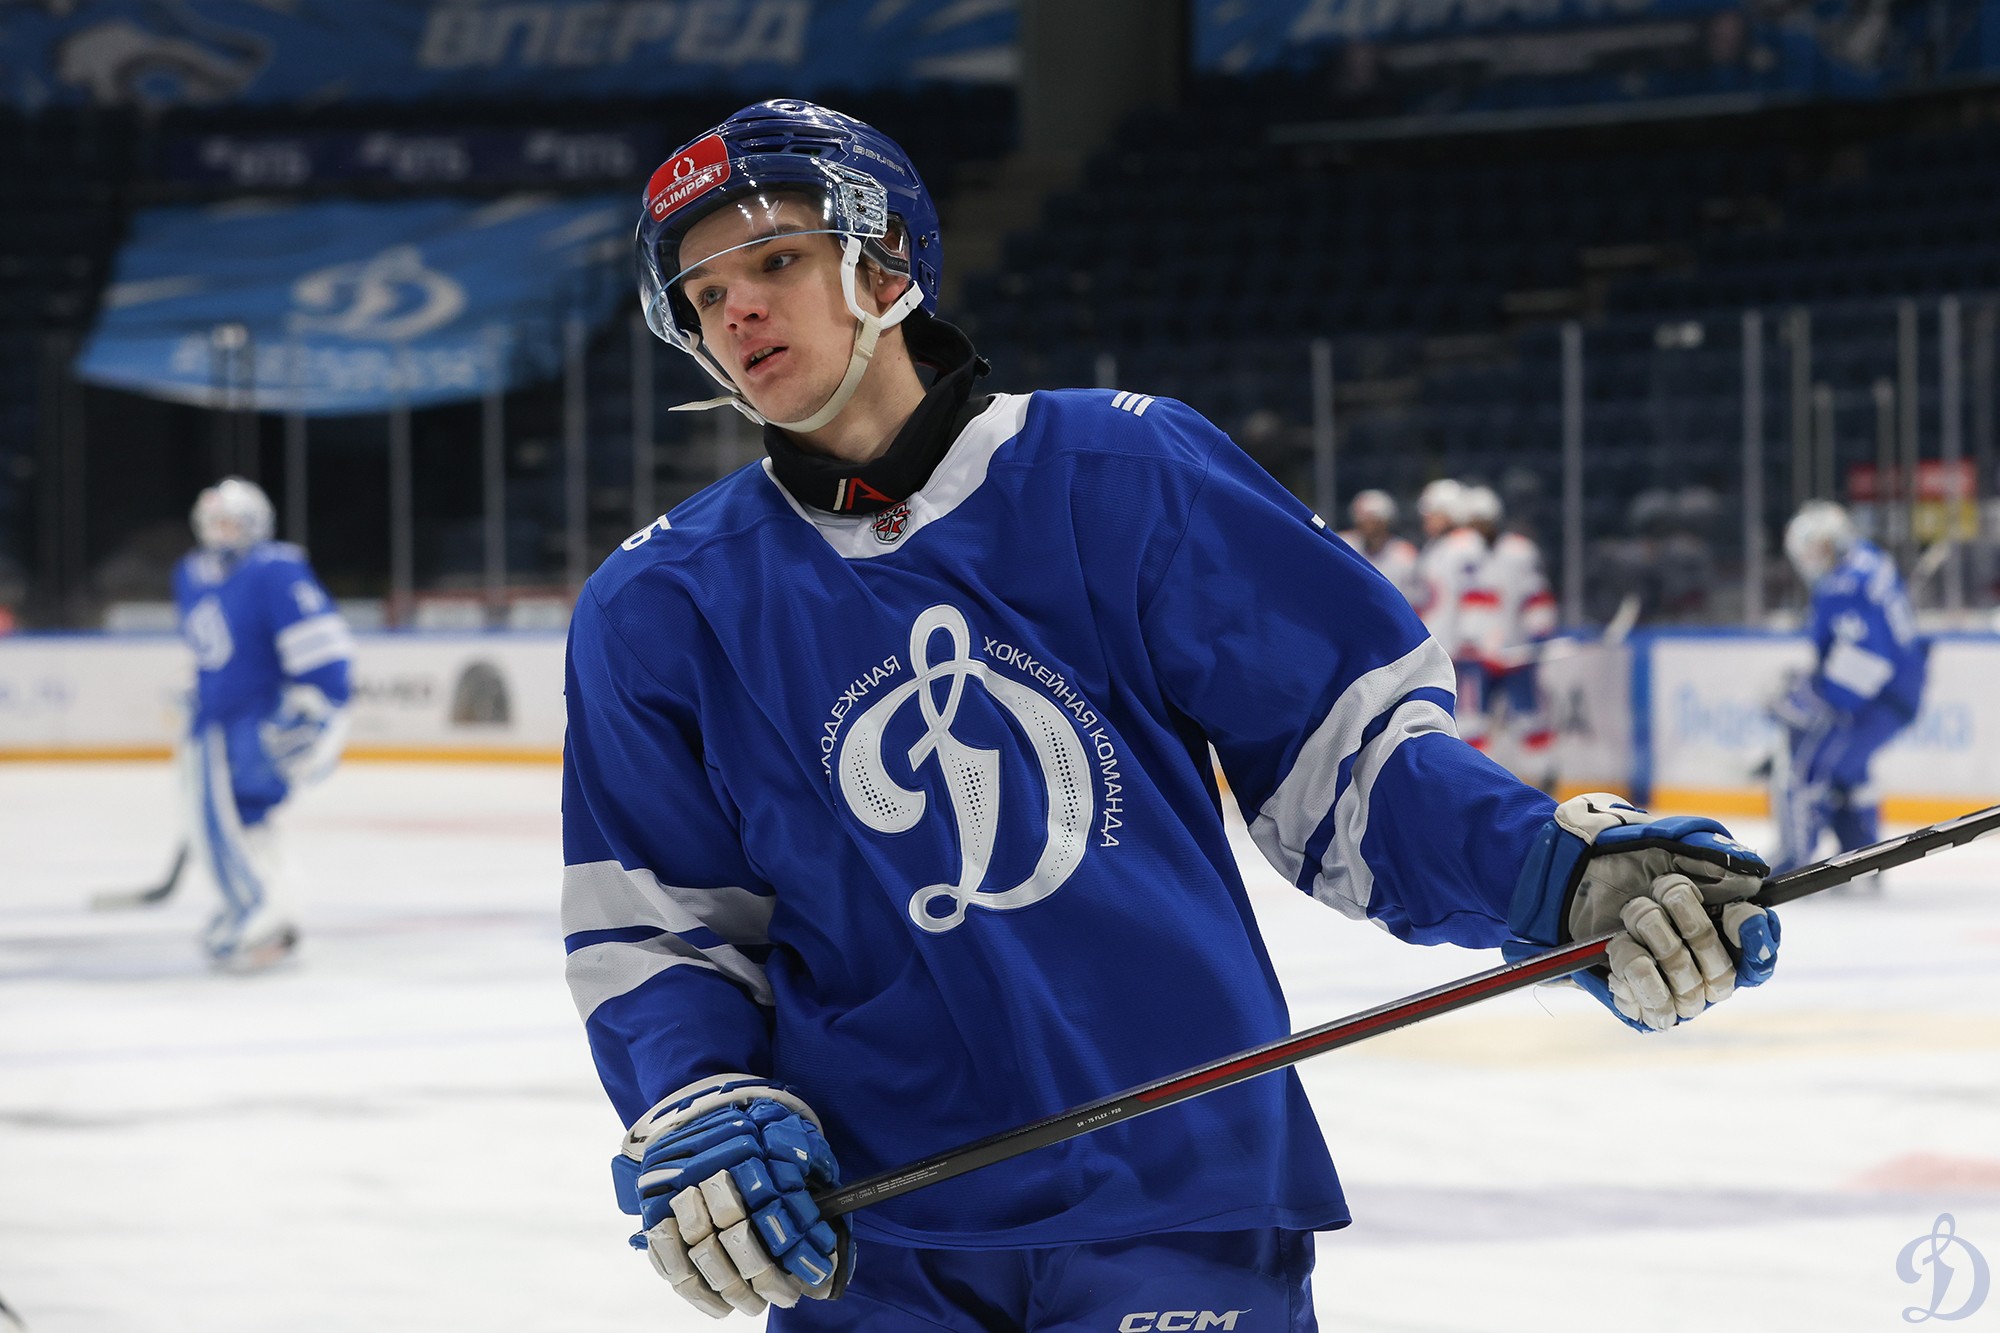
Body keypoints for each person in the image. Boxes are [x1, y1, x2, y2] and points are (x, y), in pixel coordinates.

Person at [562, 99, 1781, 1331]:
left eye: (773, 261)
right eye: (705, 295)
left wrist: (1552, 877)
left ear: (882, 263)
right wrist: (700, 1095)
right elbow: (656, 927)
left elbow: (1353, 772)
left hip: (1176, 1200)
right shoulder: (657, 603)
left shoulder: (1127, 474)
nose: (738, 313)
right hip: (873, 1240)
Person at [172, 477, 351, 970]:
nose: (222, 533)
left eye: (233, 523)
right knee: (234, 822)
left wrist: (321, 704)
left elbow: (323, 647)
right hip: (212, 723)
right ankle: (266, 909)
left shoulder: (274, 568)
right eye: (215, 523)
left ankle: (259, 912)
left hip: (257, 720)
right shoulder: (191, 573)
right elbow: (210, 649)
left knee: (230, 821)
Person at [1769, 500, 1927, 877]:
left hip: (1878, 696)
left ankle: (1796, 861)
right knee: (1848, 768)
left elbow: (1868, 659)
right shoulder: (1868, 562)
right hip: (1896, 691)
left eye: (1819, 548)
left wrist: (1817, 696)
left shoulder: (1844, 584)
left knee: (1808, 766)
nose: (1812, 559)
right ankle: (1863, 858)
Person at [1461, 485, 1559, 792]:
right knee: (1472, 723)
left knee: (1529, 718)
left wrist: (1539, 629)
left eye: (1482, 521)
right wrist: (1471, 641)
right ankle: (1477, 786)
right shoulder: (1462, 553)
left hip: (1516, 653)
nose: (1477, 528)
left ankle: (1544, 778)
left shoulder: (1518, 551)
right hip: (1480, 656)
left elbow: (1535, 594)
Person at [1413, 477, 1490, 744]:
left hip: (1459, 646)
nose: (1427, 519)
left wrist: (1470, 637)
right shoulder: (1436, 547)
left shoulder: (1465, 543)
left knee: (1468, 718)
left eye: (1433, 513)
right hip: (1440, 644)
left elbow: (1476, 592)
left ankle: (1475, 770)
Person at [1334, 489, 1420, 606]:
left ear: (1386, 522)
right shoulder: (1344, 546)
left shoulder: (1404, 553)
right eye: (1363, 520)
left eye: (1373, 520)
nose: (1368, 527)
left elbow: (1415, 599)